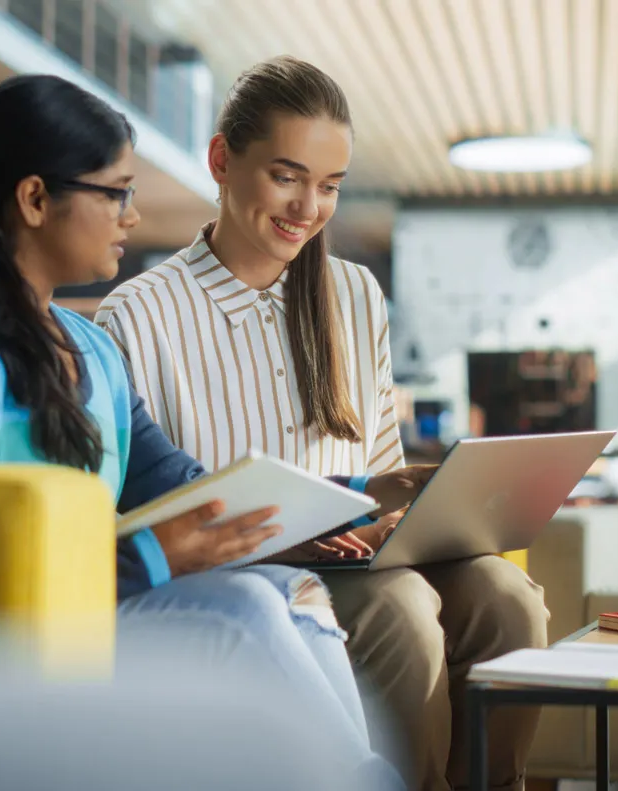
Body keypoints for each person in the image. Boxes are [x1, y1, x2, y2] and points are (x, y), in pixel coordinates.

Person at [0, 73, 406, 787]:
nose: (131, 216)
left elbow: (179, 482)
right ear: (35, 198)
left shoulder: (82, 341)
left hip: (75, 611)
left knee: (285, 591)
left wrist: (312, 512)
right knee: (243, 613)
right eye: (115, 192)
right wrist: (154, 557)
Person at [95, 57, 550, 791]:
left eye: (330, 186)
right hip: (251, 571)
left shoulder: (355, 294)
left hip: (364, 552)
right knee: (402, 610)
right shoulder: (138, 314)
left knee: (508, 600)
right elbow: (152, 501)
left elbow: (379, 458)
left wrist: (402, 511)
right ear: (222, 161)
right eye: (287, 176)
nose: (309, 206)